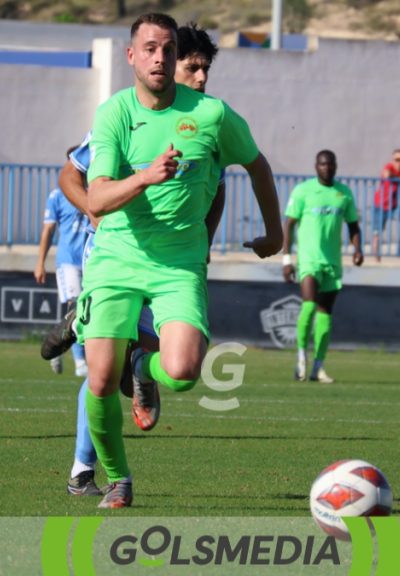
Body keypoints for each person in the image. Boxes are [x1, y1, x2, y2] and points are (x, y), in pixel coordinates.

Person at [83, 14, 283, 509]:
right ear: (131, 56)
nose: (159, 57)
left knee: (184, 371)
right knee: (101, 380)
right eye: (149, 48)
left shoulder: (212, 115)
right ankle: (118, 478)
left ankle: (144, 367)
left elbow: (257, 165)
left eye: (167, 49)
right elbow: (96, 199)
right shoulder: (114, 114)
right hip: (116, 260)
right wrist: (146, 177)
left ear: (176, 57)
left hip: (178, 266)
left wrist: (275, 232)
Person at [45, 22, 225, 499]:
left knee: (159, 357)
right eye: (193, 67)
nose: (201, 78)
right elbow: (71, 171)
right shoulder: (126, 114)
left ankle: (134, 365)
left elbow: (217, 189)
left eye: (205, 69)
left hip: (172, 262)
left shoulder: (206, 123)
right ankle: (86, 466)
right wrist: (92, 209)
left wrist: (202, 244)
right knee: (106, 366)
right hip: (116, 255)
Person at [283, 150, 364, 383]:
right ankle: (300, 358)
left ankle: (318, 367)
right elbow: (288, 224)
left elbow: (353, 226)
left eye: (330, 164)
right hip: (308, 260)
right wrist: (287, 259)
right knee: (308, 307)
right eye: (322, 164)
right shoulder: (303, 191)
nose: (326, 168)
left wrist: (358, 249)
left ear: (335, 166)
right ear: (315, 166)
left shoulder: (343, 193)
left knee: (325, 315)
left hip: (332, 262)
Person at [34, 147, 88, 377]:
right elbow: (48, 230)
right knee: (75, 308)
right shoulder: (58, 195)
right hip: (67, 261)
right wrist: (40, 262)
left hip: (90, 262)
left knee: (88, 311)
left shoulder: (97, 190)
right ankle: (80, 363)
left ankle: (57, 347)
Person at [372, 149, 400, 261]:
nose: (398, 162)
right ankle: (377, 257)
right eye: (396, 160)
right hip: (380, 206)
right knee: (377, 232)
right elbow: (386, 174)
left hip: (393, 207)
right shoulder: (389, 166)